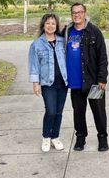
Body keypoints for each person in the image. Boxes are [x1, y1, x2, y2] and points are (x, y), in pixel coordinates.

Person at [62, 2, 109, 151]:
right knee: (78, 112)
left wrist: (102, 79)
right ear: (71, 15)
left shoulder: (94, 31)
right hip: (75, 83)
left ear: (85, 13)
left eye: (80, 12)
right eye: (74, 12)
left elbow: (103, 57)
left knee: (99, 112)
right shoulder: (67, 31)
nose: (77, 15)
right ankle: (80, 138)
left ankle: (102, 138)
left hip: (94, 82)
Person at [28, 13, 68, 152]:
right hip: (47, 83)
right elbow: (34, 65)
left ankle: (55, 137)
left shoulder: (63, 41)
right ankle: (46, 137)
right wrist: (35, 83)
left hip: (63, 82)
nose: (50, 26)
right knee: (50, 111)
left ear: (56, 26)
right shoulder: (37, 44)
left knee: (59, 112)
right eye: (48, 23)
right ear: (43, 25)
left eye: (53, 23)